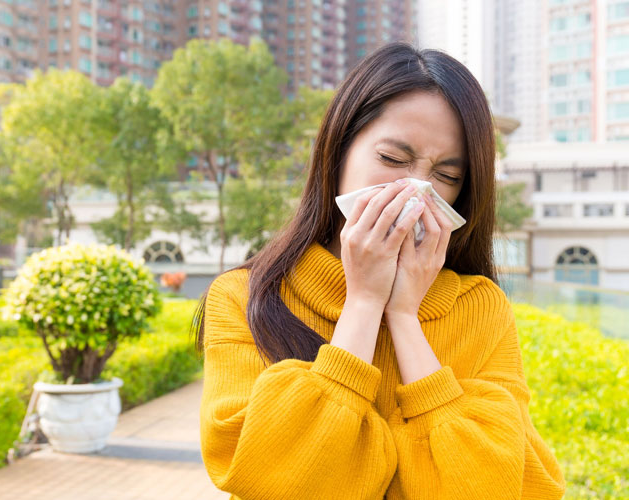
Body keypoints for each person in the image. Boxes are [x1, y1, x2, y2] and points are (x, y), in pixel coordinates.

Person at [191, 41, 567, 500]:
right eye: (392, 159)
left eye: (446, 176)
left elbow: (516, 486)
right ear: (340, 149)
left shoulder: (479, 307)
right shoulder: (245, 296)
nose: (416, 189)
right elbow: (266, 474)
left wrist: (404, 316)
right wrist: (365, 303)